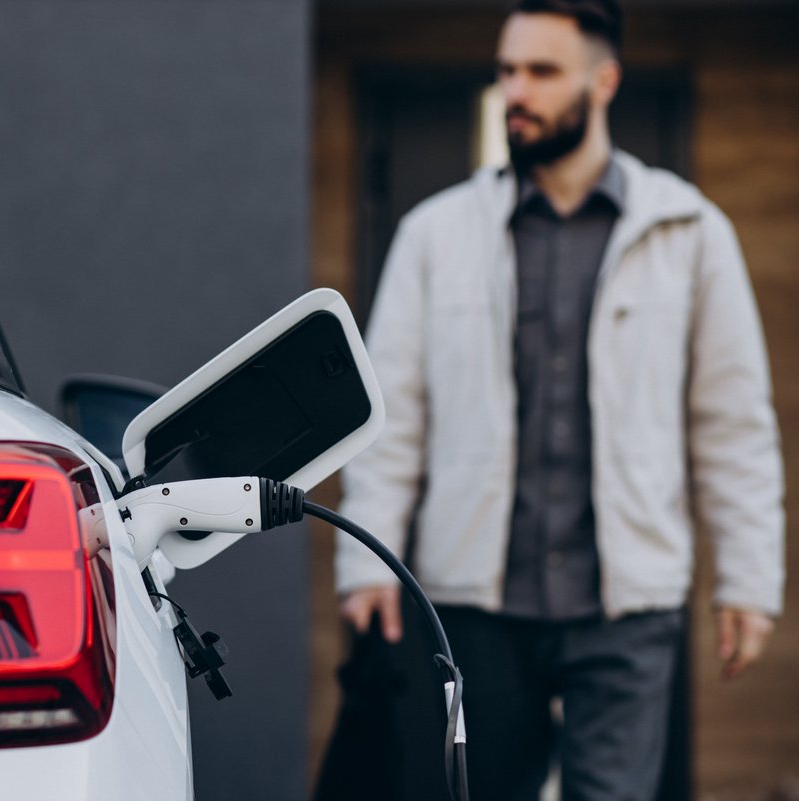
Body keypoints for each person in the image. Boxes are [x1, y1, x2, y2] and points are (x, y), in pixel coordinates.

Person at [324, 1, 785, 799]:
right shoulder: (435, 234)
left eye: (542, 72)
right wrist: (368, 560)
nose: (517, 91)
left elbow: (732, 422)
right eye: (507, 71)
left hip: (628, 606)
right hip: (475, 602)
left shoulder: (690, 232)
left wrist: (748, 579)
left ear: (603, 81)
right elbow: (391, 414)